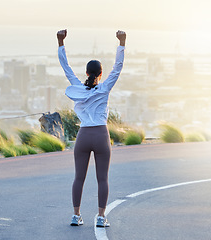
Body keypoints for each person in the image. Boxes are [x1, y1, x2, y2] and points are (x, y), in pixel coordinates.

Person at [57, 29, 126, 227]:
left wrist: (60, 42)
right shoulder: (105, 88)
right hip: (101, 135)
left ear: (86, 73)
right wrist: (122, 42)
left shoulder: (77, 87)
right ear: (101, 74)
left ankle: (76, 215)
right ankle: (101, 218)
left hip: (84, 136)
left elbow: (66, 67)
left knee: (79, 177)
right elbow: (118, 67)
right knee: (102, 179)